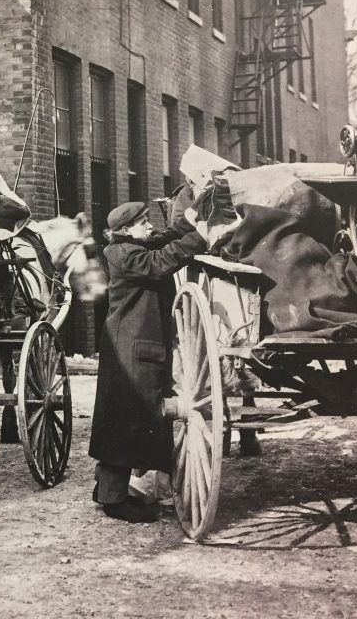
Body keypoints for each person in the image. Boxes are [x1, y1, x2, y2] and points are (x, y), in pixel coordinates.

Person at [88, 201, 206, 523]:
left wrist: (192, 218)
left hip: (136, 346)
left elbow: (164, 238)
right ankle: (114, 501)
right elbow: (161, 259)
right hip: (131, 349)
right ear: (125, 231)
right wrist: (203, 237)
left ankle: (109, 490)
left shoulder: (129, 245)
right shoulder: (126, 255)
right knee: (126, 420)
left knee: (128, 418)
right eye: (143, 223)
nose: (149, 226)